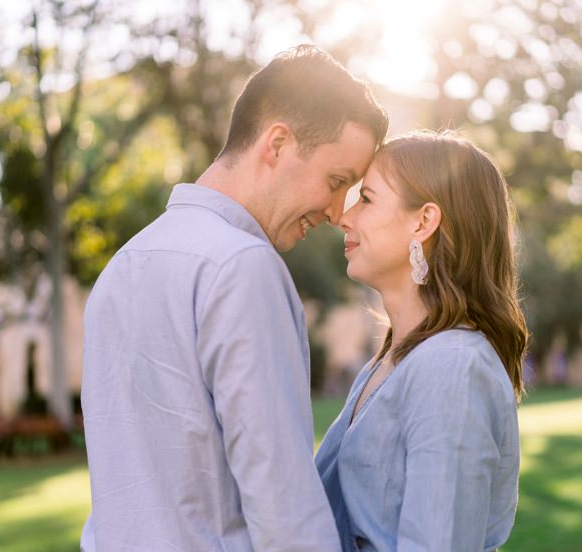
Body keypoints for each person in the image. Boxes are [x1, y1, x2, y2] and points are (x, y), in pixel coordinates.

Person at [81, 44, 388, 551]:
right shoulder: (242, 266)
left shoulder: (122, 266)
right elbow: (283, 509)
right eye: (337, 182)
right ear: (277, 143)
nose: (337, 212)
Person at [315, 131, 528, 551]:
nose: (344, 216)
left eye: (368, 199)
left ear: (424, 221)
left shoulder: (453, 367)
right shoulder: (391, 361)